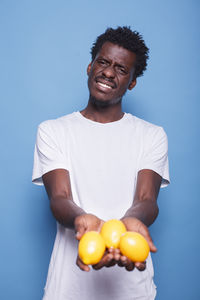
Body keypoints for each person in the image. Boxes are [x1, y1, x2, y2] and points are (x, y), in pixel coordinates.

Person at [32, 26, 169, 300]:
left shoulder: (152, 135)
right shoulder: (53, 130)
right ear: (89, 66)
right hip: (68, 288)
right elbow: (59, 198)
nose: (108, 72)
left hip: (133, 288)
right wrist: (82, 220)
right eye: (103, 62)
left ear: (132, 82)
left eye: (120, 69)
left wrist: (130, 221)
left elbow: (147, 199)